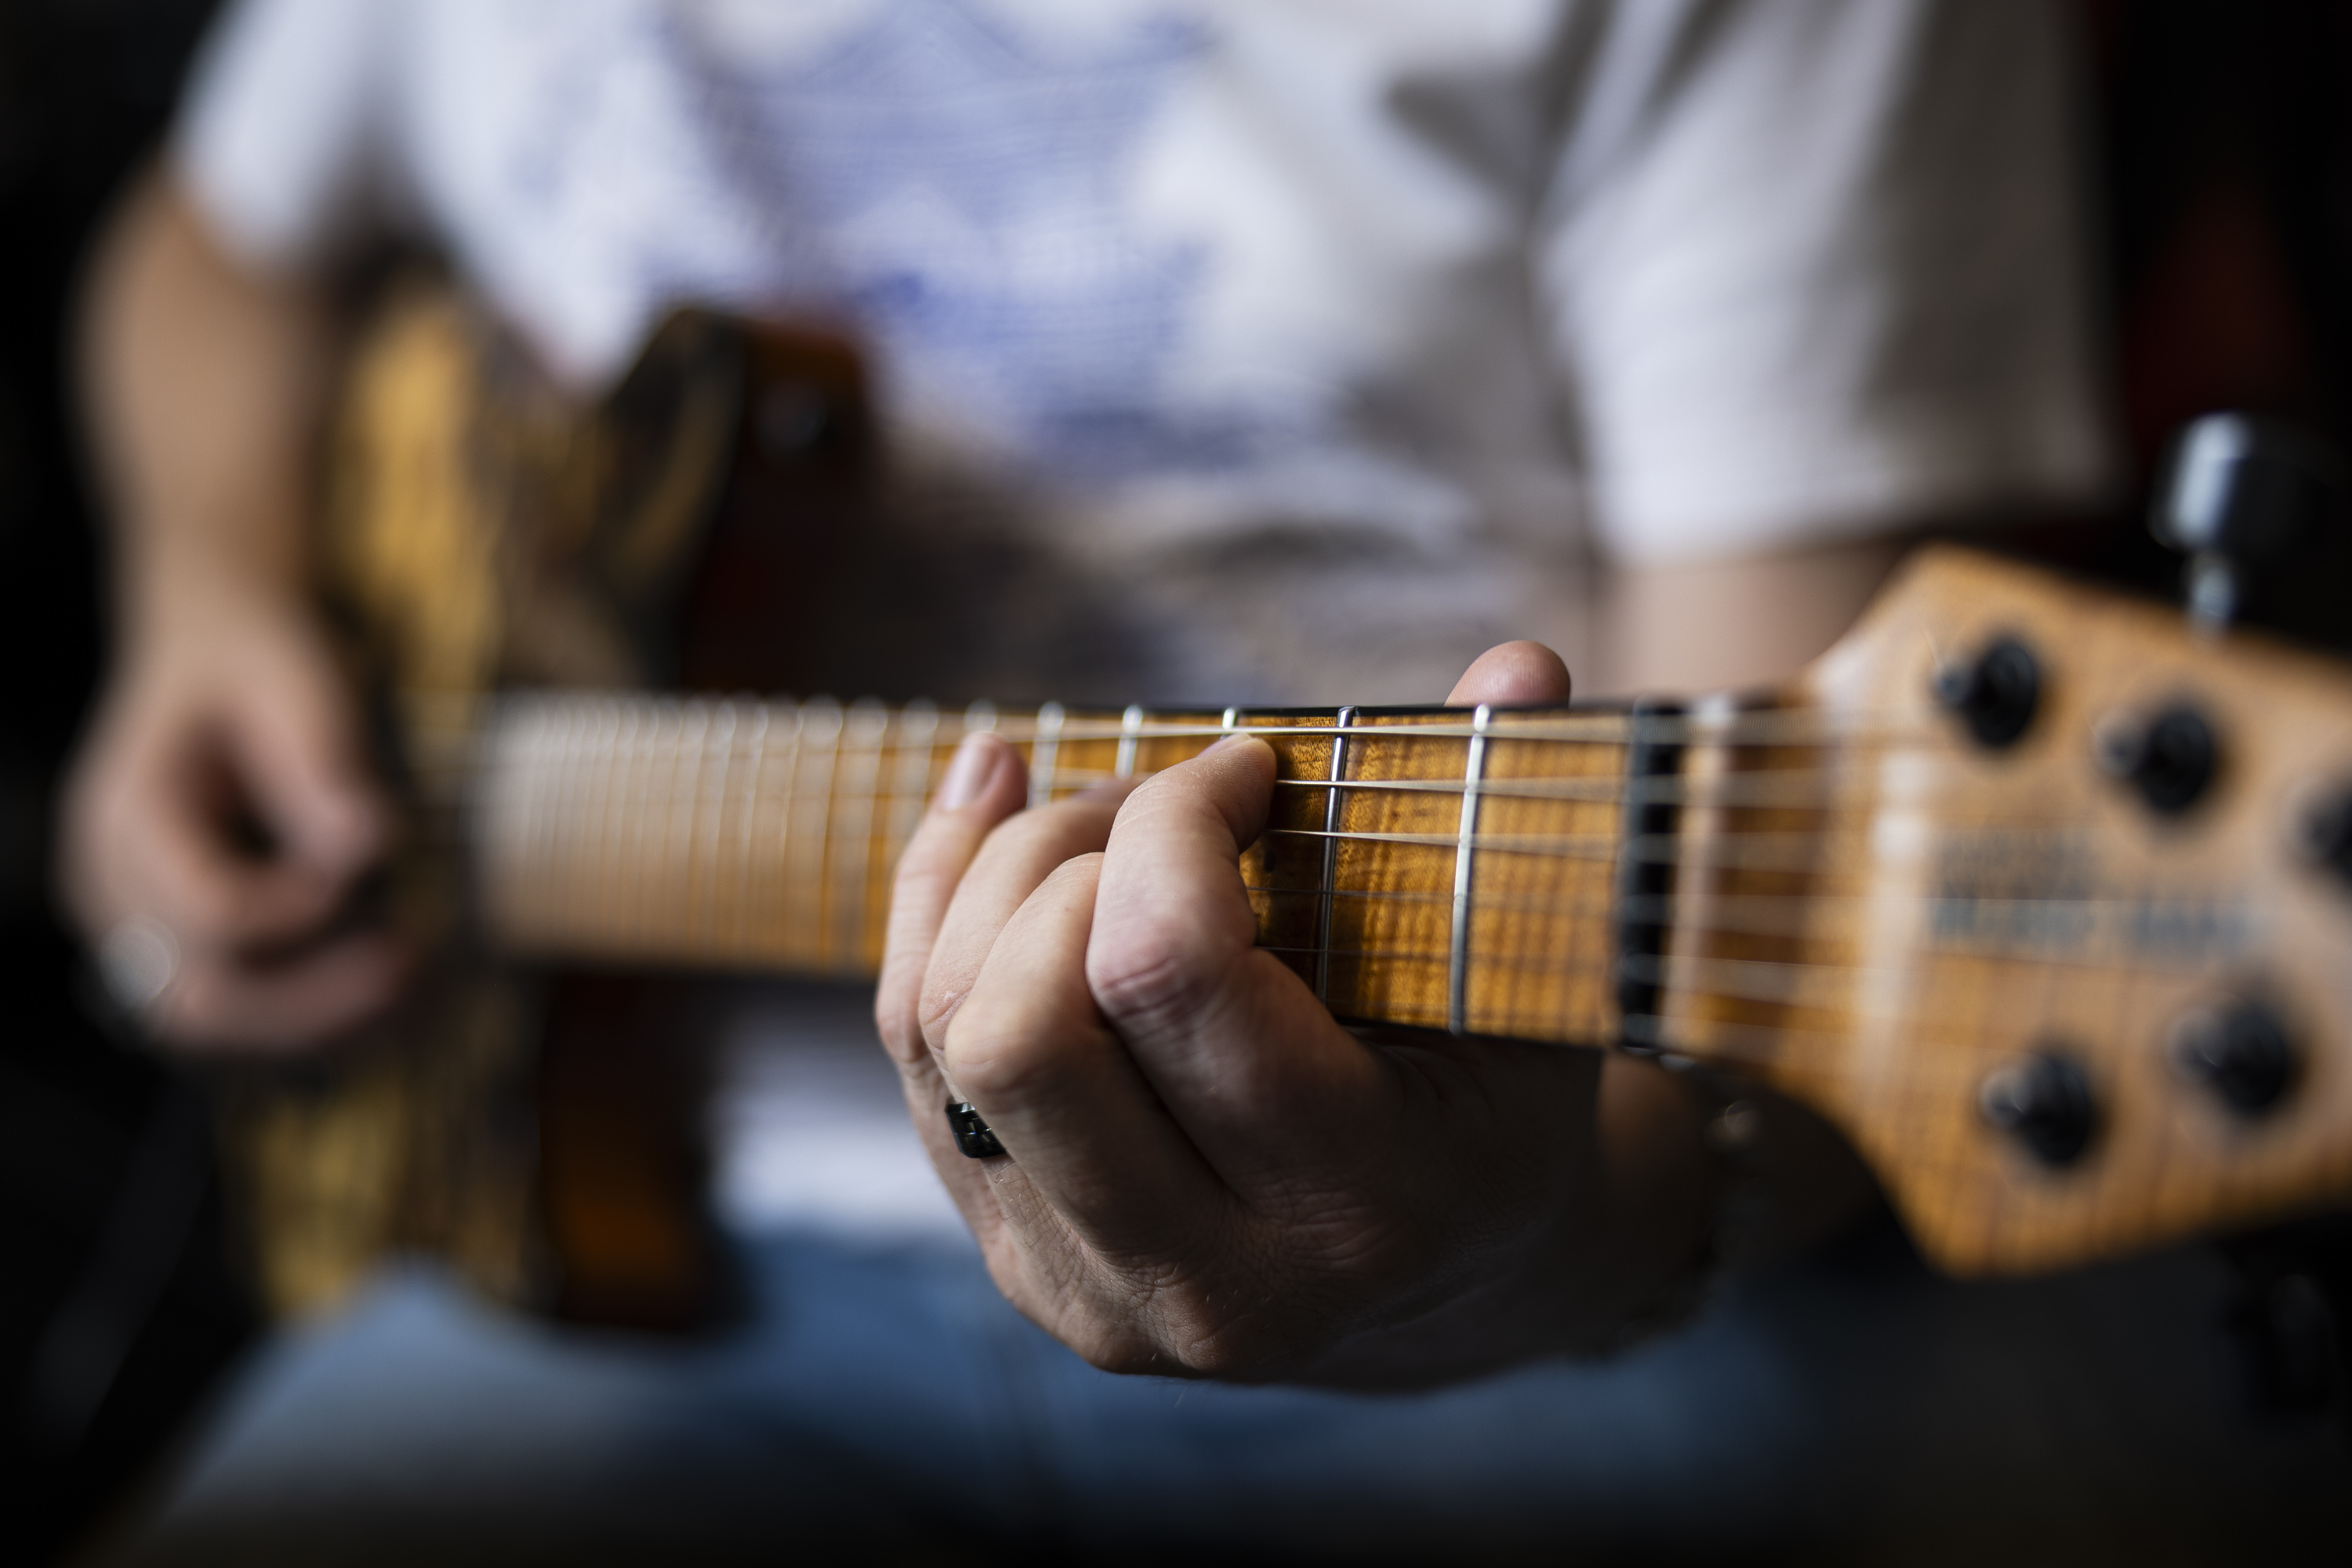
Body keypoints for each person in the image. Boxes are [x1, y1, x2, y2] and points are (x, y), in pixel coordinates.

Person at [64, 0, 2351, 1561]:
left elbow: (1787, 1011)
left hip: (1558, 1304)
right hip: (626, 1260)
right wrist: (203, 591)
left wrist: (1501, 1245)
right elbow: (203, 258)